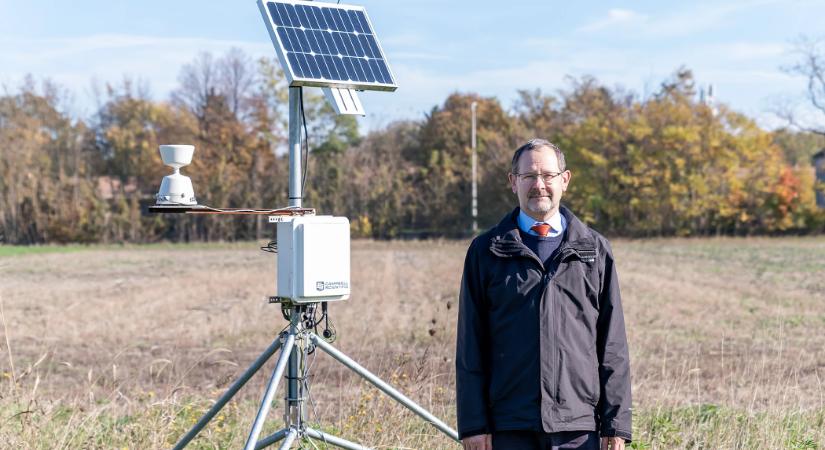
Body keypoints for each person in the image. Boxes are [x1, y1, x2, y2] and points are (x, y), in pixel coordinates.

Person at [455, 139, 632, 450]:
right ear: (513, 182)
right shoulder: (486, 251)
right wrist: (473, 424)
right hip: (509, 427)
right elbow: (470, 345)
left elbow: (612, 344)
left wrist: (615, 424)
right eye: (529, 177)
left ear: (564, 180)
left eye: (548, 175)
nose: (539, 185)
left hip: (578, 428)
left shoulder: (594, 250)